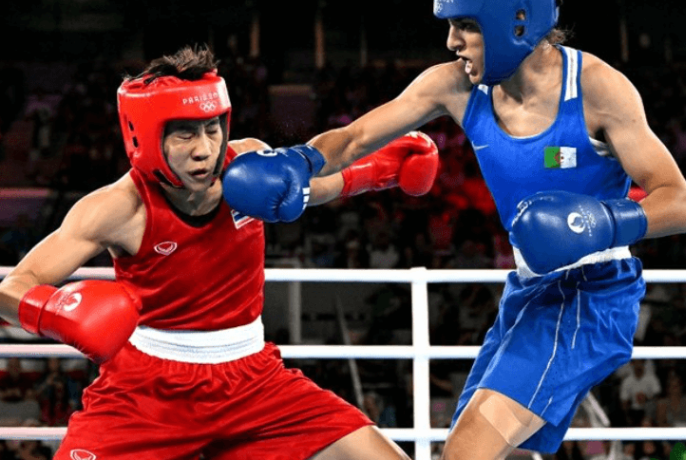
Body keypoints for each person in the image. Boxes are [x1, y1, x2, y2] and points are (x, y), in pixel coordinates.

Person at [221, 0, 686, 457]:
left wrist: (596, 222)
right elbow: (356, 139)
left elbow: (679, 202)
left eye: (466, 25)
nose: (452, 42)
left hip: (593, 295)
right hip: (528, 293)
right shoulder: (454, 86)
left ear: (516, 22)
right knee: (504, 453)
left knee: (467, 451)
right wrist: (302, 161)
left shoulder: (596, 88)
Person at [0, 45, 439, 459]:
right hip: (146, 393)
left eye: (212, 129)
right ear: (147, 138)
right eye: (185, 135)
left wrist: (385, 168)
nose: (204, 150)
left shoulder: (247, 167)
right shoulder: (120, 208)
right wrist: (57, 310)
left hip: (255, 381)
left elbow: (315, 186)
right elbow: (14, 285)